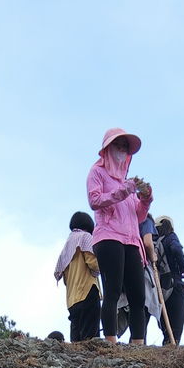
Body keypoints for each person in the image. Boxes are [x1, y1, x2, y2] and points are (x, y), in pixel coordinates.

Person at [87, 128, 152, 345]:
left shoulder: (126, 181)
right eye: (118, 146)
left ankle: (137, 343)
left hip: (131, 240)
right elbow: (94, 200)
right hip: (108, 237)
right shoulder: (97, 173)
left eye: (125, 147)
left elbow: (138, 216)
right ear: (107, 148)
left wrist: (145, 200)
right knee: (113, 289)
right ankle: (111, 340)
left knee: (137, 295)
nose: (122, 151)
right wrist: (125, 190)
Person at [54, 211, 101, 341]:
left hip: (72, 298)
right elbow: (93, 263)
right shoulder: (85, 237)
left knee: (76, 337)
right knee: (90, 337)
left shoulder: (67, 245)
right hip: (87, 290)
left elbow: (64, 278)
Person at [155, 216, 184, 345]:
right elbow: (176, 249)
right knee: (176, 327)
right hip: (175, 284)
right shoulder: (171, 237)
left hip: (161, 288)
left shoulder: (155, 242)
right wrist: (183, 268)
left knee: (166, 326)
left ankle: (167, 347)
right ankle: (172, 351)